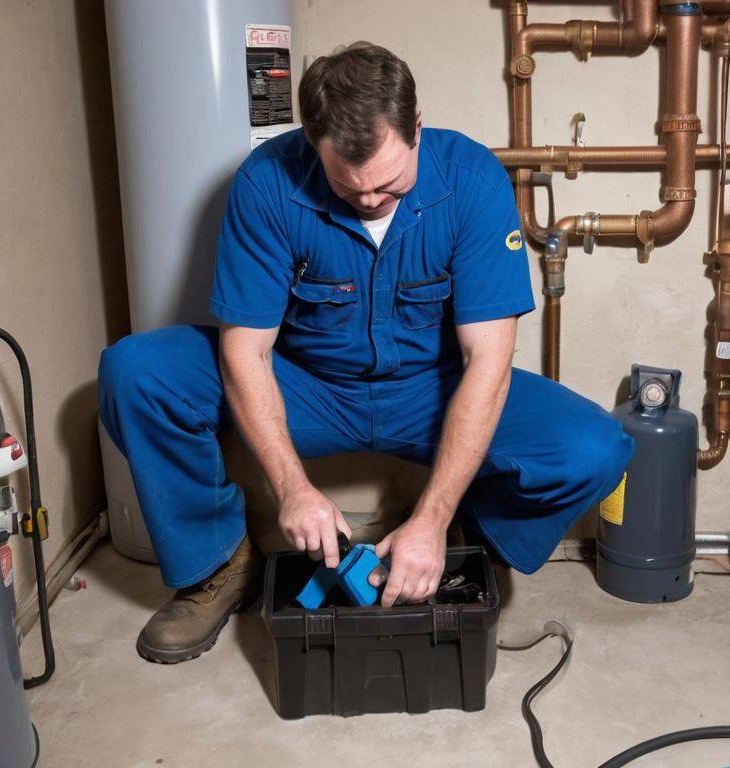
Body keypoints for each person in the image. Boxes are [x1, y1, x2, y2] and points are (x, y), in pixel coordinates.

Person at [98, 42, 633, 664]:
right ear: (311, 142)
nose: (371, 200)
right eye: (346, 188)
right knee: (134, 372)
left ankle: (462, 536)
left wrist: (432, 520)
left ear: (417, 128)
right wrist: (292, 490)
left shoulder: (473, 181)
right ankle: (216, 565)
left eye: (388, 183)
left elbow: (488, 361)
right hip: (308, 386)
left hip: (431, 392)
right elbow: (245, 353)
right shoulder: (266, 182)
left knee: (596, 447)